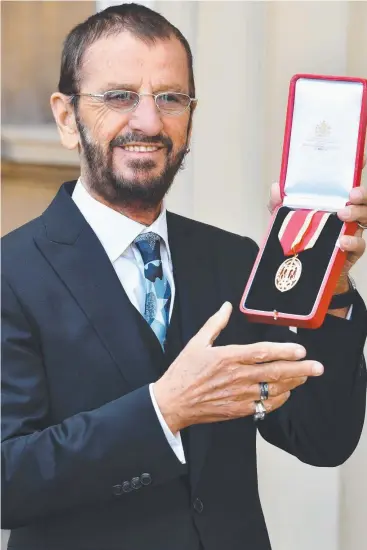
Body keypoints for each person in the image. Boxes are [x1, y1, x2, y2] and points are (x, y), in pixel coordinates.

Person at [2, 4, 367, 550]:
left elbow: (322, 439)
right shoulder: (11, 273)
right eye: (119, 96)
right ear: (65, 117)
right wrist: (164, 410)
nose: (148, 122)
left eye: (170, 98)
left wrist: (332, 291)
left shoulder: (233, 259)